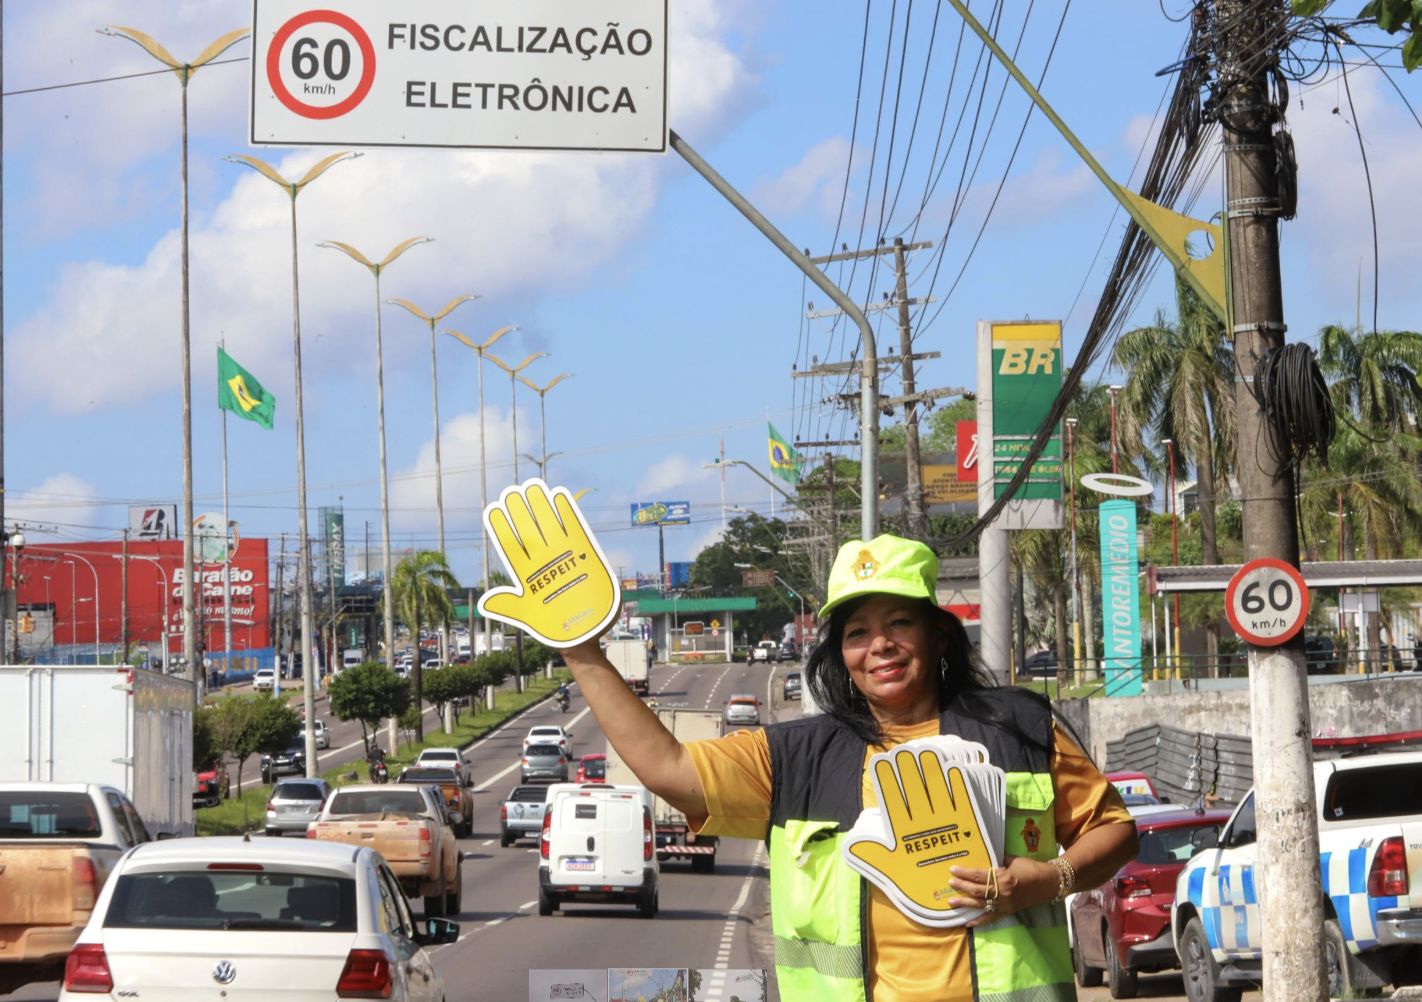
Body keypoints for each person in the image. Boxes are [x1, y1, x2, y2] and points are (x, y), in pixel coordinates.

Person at [561, 534, 1137, 1002]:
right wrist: (580, 650)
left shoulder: (1020, 729)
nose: (879, 645)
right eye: (857, 632)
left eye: (898, 623)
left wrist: (1048, 879)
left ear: (938, 634)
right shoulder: (796, 759)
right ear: (839, 653)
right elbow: (668, 768)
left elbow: (1115, 831)